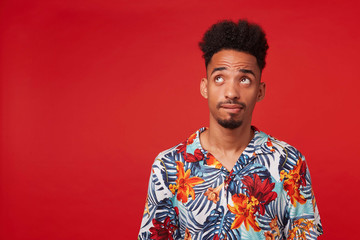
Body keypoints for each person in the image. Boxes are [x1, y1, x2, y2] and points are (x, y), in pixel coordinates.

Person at [138, 19, 323, 240]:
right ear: (205, 87)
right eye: (219, 78)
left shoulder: (289, 162)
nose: (231, 92)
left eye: (244, 79)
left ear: (260, 91)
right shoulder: (168, 166)